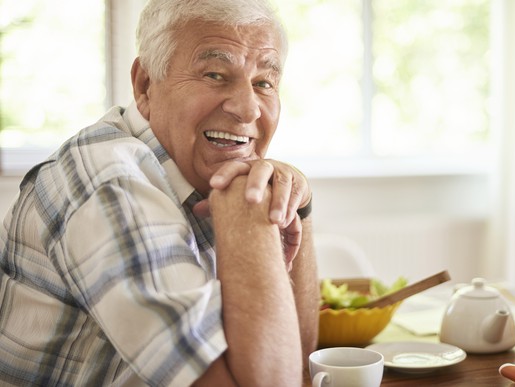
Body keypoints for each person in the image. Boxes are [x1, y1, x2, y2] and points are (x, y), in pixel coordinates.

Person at [0, 0, 319, 385]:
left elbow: (303, 365)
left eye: (264, 83)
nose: (247, 109)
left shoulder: (196, 168)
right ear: (145, 85)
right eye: (216, 74)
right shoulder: (109, 181)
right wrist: (250, 210)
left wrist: (298, 206)